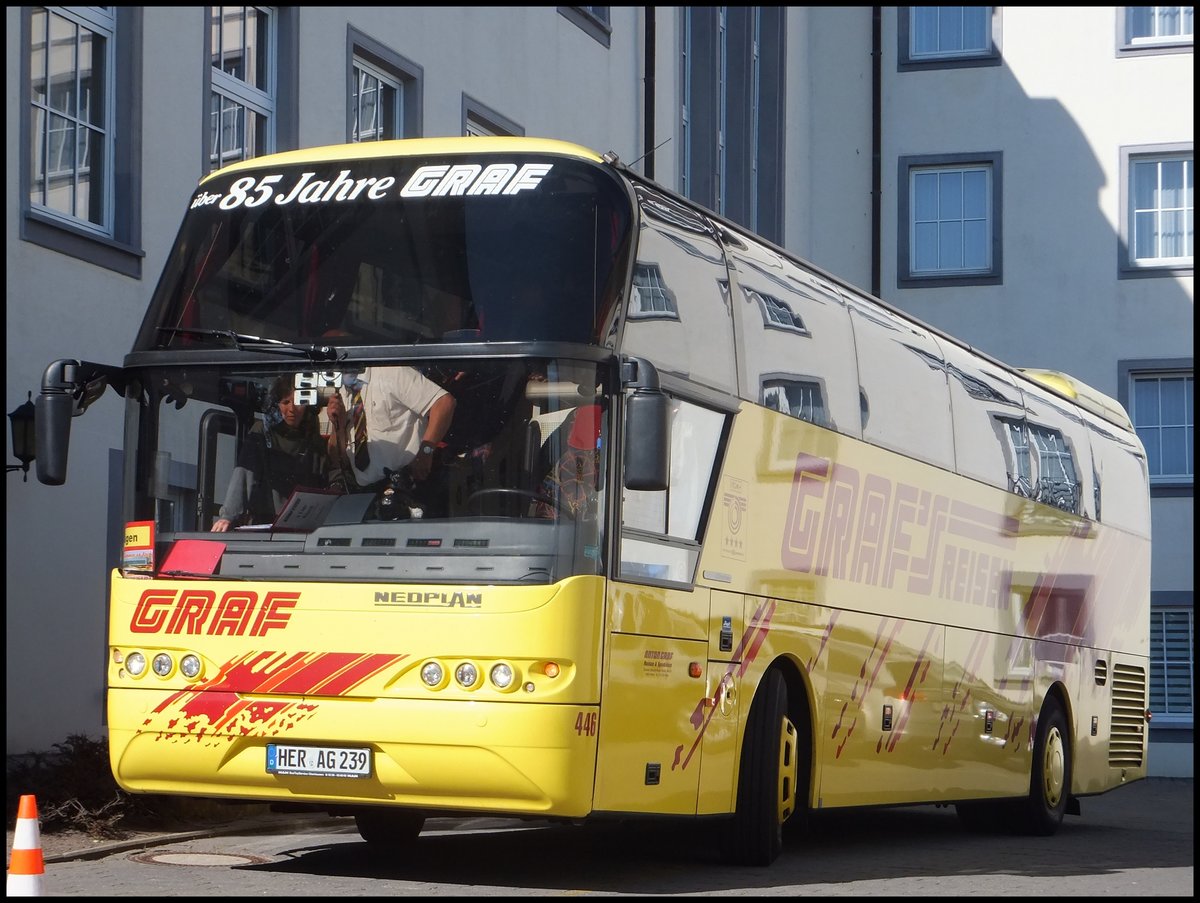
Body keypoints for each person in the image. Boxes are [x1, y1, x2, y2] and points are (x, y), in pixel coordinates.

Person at [212, 376, 339, 531]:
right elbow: (244, 473)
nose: (292, 409)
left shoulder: (314, 442)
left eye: (299, 402)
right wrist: (228, 517)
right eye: (285, 402)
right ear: (275, 405)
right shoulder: (262, 433)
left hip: (305, 530)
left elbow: (330, 477)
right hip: (266, 530)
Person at [325, 365, 457, 494]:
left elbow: (443, 402)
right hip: (365, 490)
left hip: (407, 484)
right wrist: (338, 425)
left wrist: (426, 452)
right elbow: (338, 460)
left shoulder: (392, 372)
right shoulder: (343, 391)